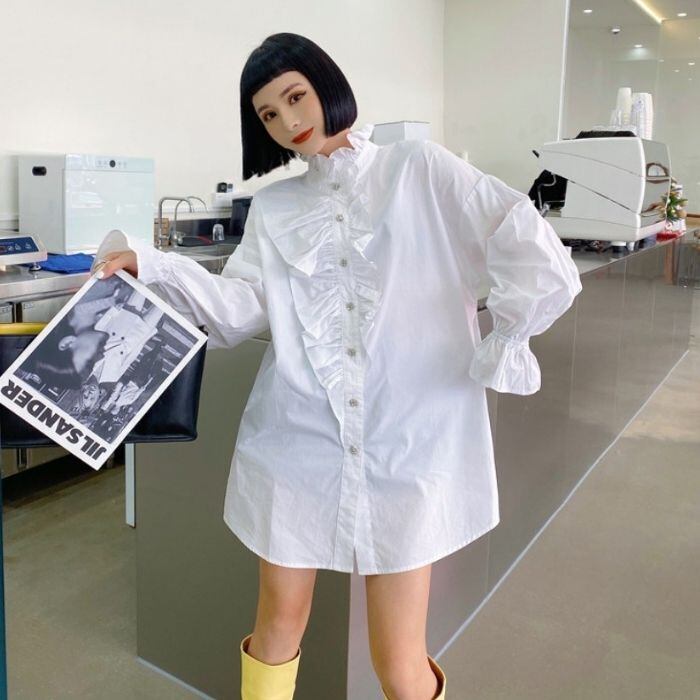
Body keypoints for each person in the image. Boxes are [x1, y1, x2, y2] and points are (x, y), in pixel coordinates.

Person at [94, 32, 582, 700]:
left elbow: (523, 239)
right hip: (297, 440)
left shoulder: (418, 168)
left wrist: (508, 336)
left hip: (410, 441)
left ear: (326, 84)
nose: (289, 121)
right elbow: (240, 308)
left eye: (295, 97)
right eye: (269, 114)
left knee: (397, 658)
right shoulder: (274, 208)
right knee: (276, 626)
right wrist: (153, 267)